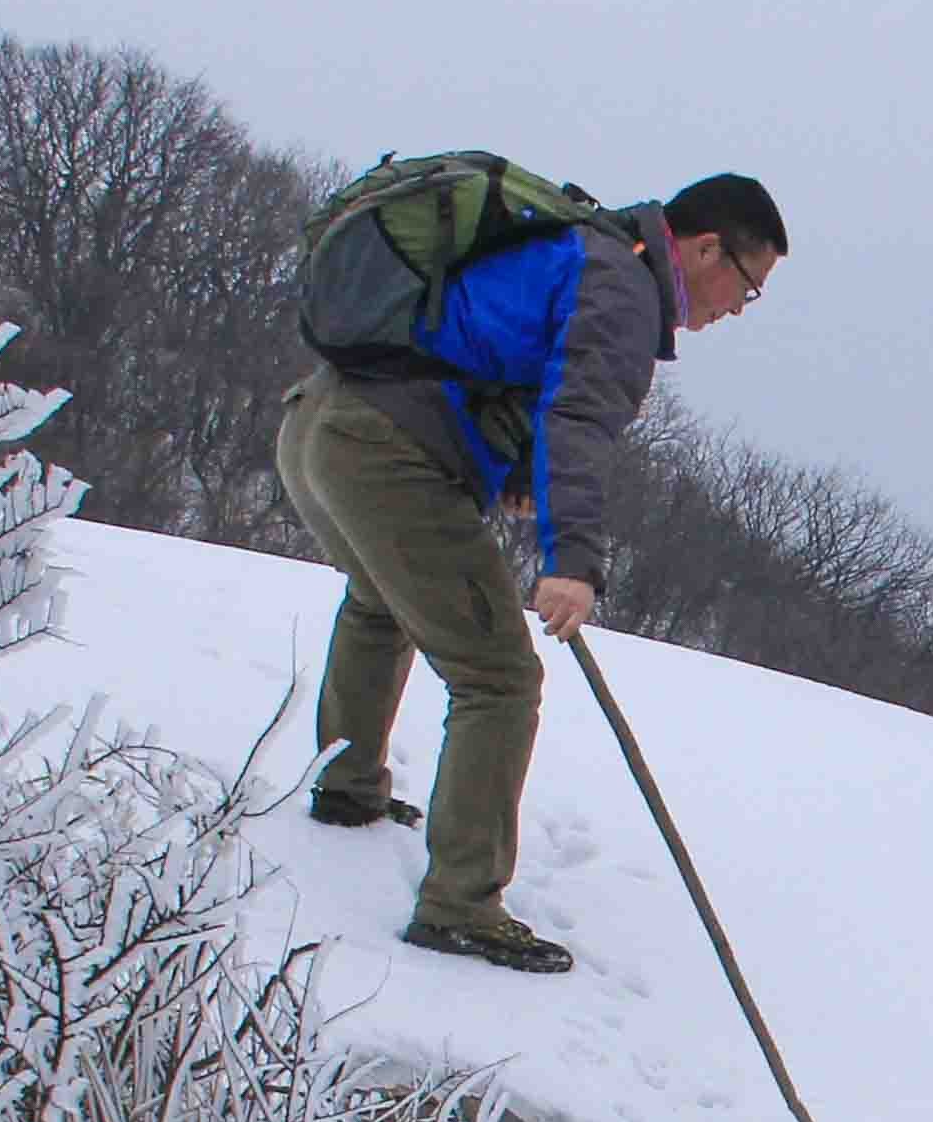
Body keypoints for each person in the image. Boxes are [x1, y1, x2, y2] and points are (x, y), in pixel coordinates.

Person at [277, 168, 787, 971]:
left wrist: (514, 468)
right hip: (382, 452)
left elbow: (500, 360)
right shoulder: (622, 287)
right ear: (704, 248)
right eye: (747, 287)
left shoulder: (582, 247)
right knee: (500, 679)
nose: (735, 311)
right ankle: (459, 908)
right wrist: (572, 562)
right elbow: (579, 421)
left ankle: (347, 790)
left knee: (381, 601)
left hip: (319, 425)